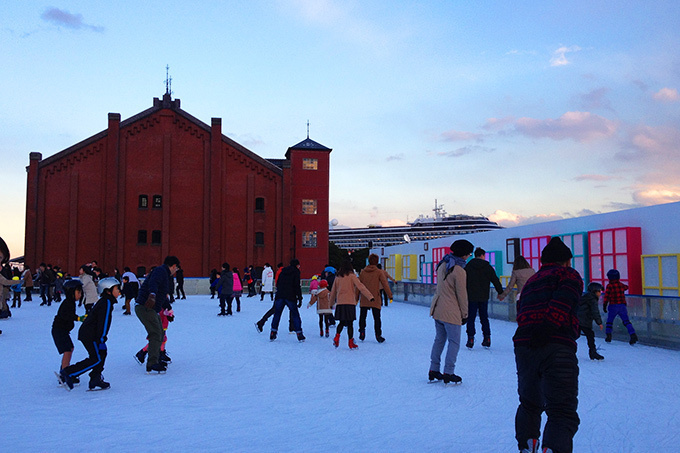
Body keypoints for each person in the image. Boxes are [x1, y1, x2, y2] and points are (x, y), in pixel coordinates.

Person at [514, 236, 583, 453]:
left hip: (525, 346)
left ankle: (528, 445)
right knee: (562, 411)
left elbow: (521, 312)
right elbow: (562, 303)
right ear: (566, 260)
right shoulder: (568, 275)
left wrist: (533, 335)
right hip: (556, 344)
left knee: (530, 403)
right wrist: (547, 328)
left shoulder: (532, 281)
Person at [58, 277, 119, 391]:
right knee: (96, 358)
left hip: (91, 333)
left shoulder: (107, 301)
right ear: (108, 290)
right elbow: (103, 323)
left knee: (102, 354)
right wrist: (101, 339)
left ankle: (95, 378)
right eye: (117, 288)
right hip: (90, 335)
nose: (119, 291)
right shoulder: (106, 303)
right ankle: (69, 372)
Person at [428, 239, 473, 385]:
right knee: (454, 342)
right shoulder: (459, 270)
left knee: (439, 340)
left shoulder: (443, 264)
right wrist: (465, 314)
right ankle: (449, 371)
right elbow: (462, 294)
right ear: (464, 254)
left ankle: (434, 369)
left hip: (438, 308)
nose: (469, 256)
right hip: (451, 311)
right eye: (468, 253)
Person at [135, 256, 179, 373]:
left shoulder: (164, 274)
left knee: (159, 333)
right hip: (145, 307)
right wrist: (152, 295)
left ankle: (153, 361)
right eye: (176, 269)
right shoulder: (160, 271)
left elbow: (163, 295)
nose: (176, 271)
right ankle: (152, 362)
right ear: (174, 266)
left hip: (151, 308)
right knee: (156, 333)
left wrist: (169, 309)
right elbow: (153, 283)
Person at [329, 259, 374, 349]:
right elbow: (361, 286)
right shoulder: (352, 276)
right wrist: (370, 296)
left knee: (341, 322)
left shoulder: (338, 277)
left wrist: (331, 303)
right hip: (350, 303)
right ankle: (350, 342)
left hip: (340, 303)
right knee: (350, 324)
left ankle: (337, 337)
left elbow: (333, 291)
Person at [465, 247, 504, 349]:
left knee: (471, 318)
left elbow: (463, 281)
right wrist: (500, 293)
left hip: (471, 296)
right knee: (484, 318)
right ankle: (487, 338)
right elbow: (495, 280)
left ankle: (470, 338)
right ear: (482, 255)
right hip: (483, 296)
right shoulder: (487, 267)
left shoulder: (468, 266)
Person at [52, 279, 85, 373]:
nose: (80, 295)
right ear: (71, 292)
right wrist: (78, 318)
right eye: (78, 292)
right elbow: (66, 315)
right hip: (59, 330)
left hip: (63, 330)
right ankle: (65, 372)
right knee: (67, 350)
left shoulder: (71, 303)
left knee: (70, 348)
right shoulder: (67, 303)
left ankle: (64, 369)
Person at [358, 254, 393, 343]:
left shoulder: (363, 272)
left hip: (365, 297)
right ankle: (378, 335)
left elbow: (358, 285)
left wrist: (356, 297)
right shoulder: (379, 272)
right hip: (375, 297)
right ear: (377, 261)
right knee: (377, 317)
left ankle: (362, 331)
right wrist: (390, 295)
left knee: (363, 316)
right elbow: (385, 284)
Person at [269, 259, 305, 342]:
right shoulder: (296, 272)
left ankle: (273, 332)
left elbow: (278, 283)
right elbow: (297, 285)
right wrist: (299, 298)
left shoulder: (282, 271)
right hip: (290, 296)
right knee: (295, 314)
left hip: (280, 295)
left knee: (277, 314)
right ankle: (299, 333)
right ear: (297, 265)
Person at [603, 269, 638, 345]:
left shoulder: (609, 286)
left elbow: (606, 297)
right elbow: (626, 287)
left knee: (609, 321)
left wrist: (604, 305)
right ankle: (633, 334)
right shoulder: (621, 285)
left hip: (613, 306)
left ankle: (608, 336)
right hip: (622, 306)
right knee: (626, 321)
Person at [579, 282, 605, 360]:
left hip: (579, 319)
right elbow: (595, 311)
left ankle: (563, 349)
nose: (600, 293)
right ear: (595, 291)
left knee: (575, 335)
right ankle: (593, 352)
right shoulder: (592, 299)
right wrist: (599, 322)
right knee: (590, 336)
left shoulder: (585, 297)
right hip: (584, 321)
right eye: (599, 291)